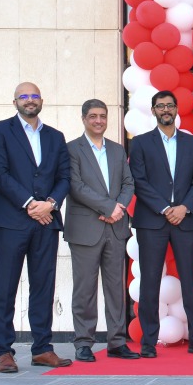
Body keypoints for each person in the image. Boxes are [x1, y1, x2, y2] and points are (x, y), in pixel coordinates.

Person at [0, 81, 73, 371]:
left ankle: (42, 348)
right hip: (11, 221)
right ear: (15, 102)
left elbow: (64, 177)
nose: (30, 100)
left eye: (34, 96)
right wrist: (29, 204)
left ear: (42, 101)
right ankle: (3, 351)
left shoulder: (55, 137)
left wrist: (50, 203)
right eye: (24, 96)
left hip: (47, 222)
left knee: (43, 287)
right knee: (5, 287)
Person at [128, 90, 193, 358]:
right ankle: (149, 342)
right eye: (160, 106)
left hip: (185, 220)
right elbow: (138, 181)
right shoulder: (140, 143)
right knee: (150, 282)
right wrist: (165, 208)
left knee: (190, 281)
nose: (166, 110)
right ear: (153, 111)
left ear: (177, 110)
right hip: (152, 221)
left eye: (170, 105)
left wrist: (184, 207)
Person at [65, 99, 138, 362]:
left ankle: (117, 341)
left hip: (115, 228)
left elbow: (128, 183)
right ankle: (84, 342)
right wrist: (109, 207)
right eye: (93, 116)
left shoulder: (118, 151)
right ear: (84, 119)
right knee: (84, 289)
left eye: (103, 116)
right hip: (86, 228)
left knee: (115, 288)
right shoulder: (72, 149)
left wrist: (117, 209)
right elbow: (75, 186)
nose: (99, 121)